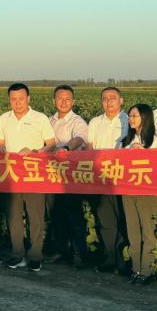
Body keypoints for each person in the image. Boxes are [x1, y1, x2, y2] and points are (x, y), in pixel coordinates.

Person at [0, 82, 56, 273]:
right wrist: (0, 148)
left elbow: (51, 143)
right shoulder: (4, 118)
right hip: (11, 175)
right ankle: (17, 254)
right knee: (13, 217)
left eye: (21, 98)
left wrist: (35, 152)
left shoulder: (40, 118)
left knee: (35, 217)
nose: (17, 102)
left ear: (28, 98)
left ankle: (35, 256)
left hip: (34, 175)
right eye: (13, 99)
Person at [86, 87, 130, 274]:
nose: (109, 102)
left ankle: (123, 261)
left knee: (123, 220)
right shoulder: (95, 122)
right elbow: (90, 148)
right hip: (100, 178)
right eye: (105, 99)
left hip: (123, 178)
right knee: (104, 220)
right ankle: (109, 258)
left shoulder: (129, 120)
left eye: (113, 98)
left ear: (121, 100)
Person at [120, 104, 157, 284]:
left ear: (145, 118)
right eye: (130, 116)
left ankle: (147, 270)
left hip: (147, 192)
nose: (131, 119)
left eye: (135, 116)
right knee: (133, 231)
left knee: (148, 231)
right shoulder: (125, 142)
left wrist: (143, 155)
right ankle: (135, 268)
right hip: (128, 191)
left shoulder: (156, 142)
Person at [47, 85, 89, 266]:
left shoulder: (77, 121)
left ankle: (79, 253)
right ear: (53, 101)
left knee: (74, 215)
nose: (63, 102)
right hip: (51, 175)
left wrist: (65, 148)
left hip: (72, 176)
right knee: (56, 214)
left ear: (73, 101)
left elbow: (79, 139)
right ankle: (60, 250)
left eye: (67, 99)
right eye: (60, 98)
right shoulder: (49, 121)